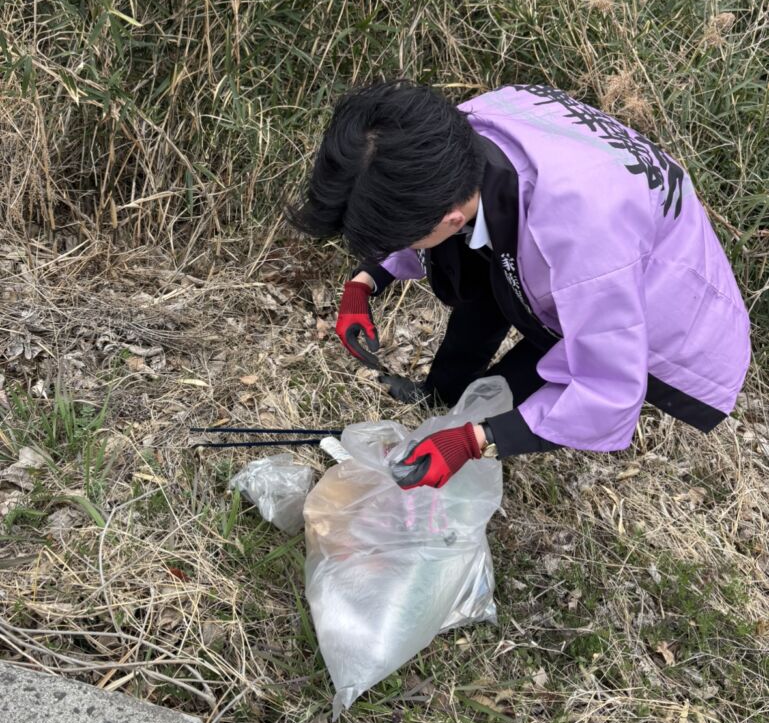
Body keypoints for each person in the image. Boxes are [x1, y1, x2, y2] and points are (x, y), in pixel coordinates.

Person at [288, 80, 751, 489]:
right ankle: (443, 397)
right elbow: (412, 207)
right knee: (486, 282)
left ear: (450, 218)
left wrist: (477, 440)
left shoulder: (584, 239)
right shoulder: (464, 128)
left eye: (405, 239)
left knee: (529, 373)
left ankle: (470, 427)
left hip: (654, 291)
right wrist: (367, 280)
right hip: (575, 233)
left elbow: (606, 386)